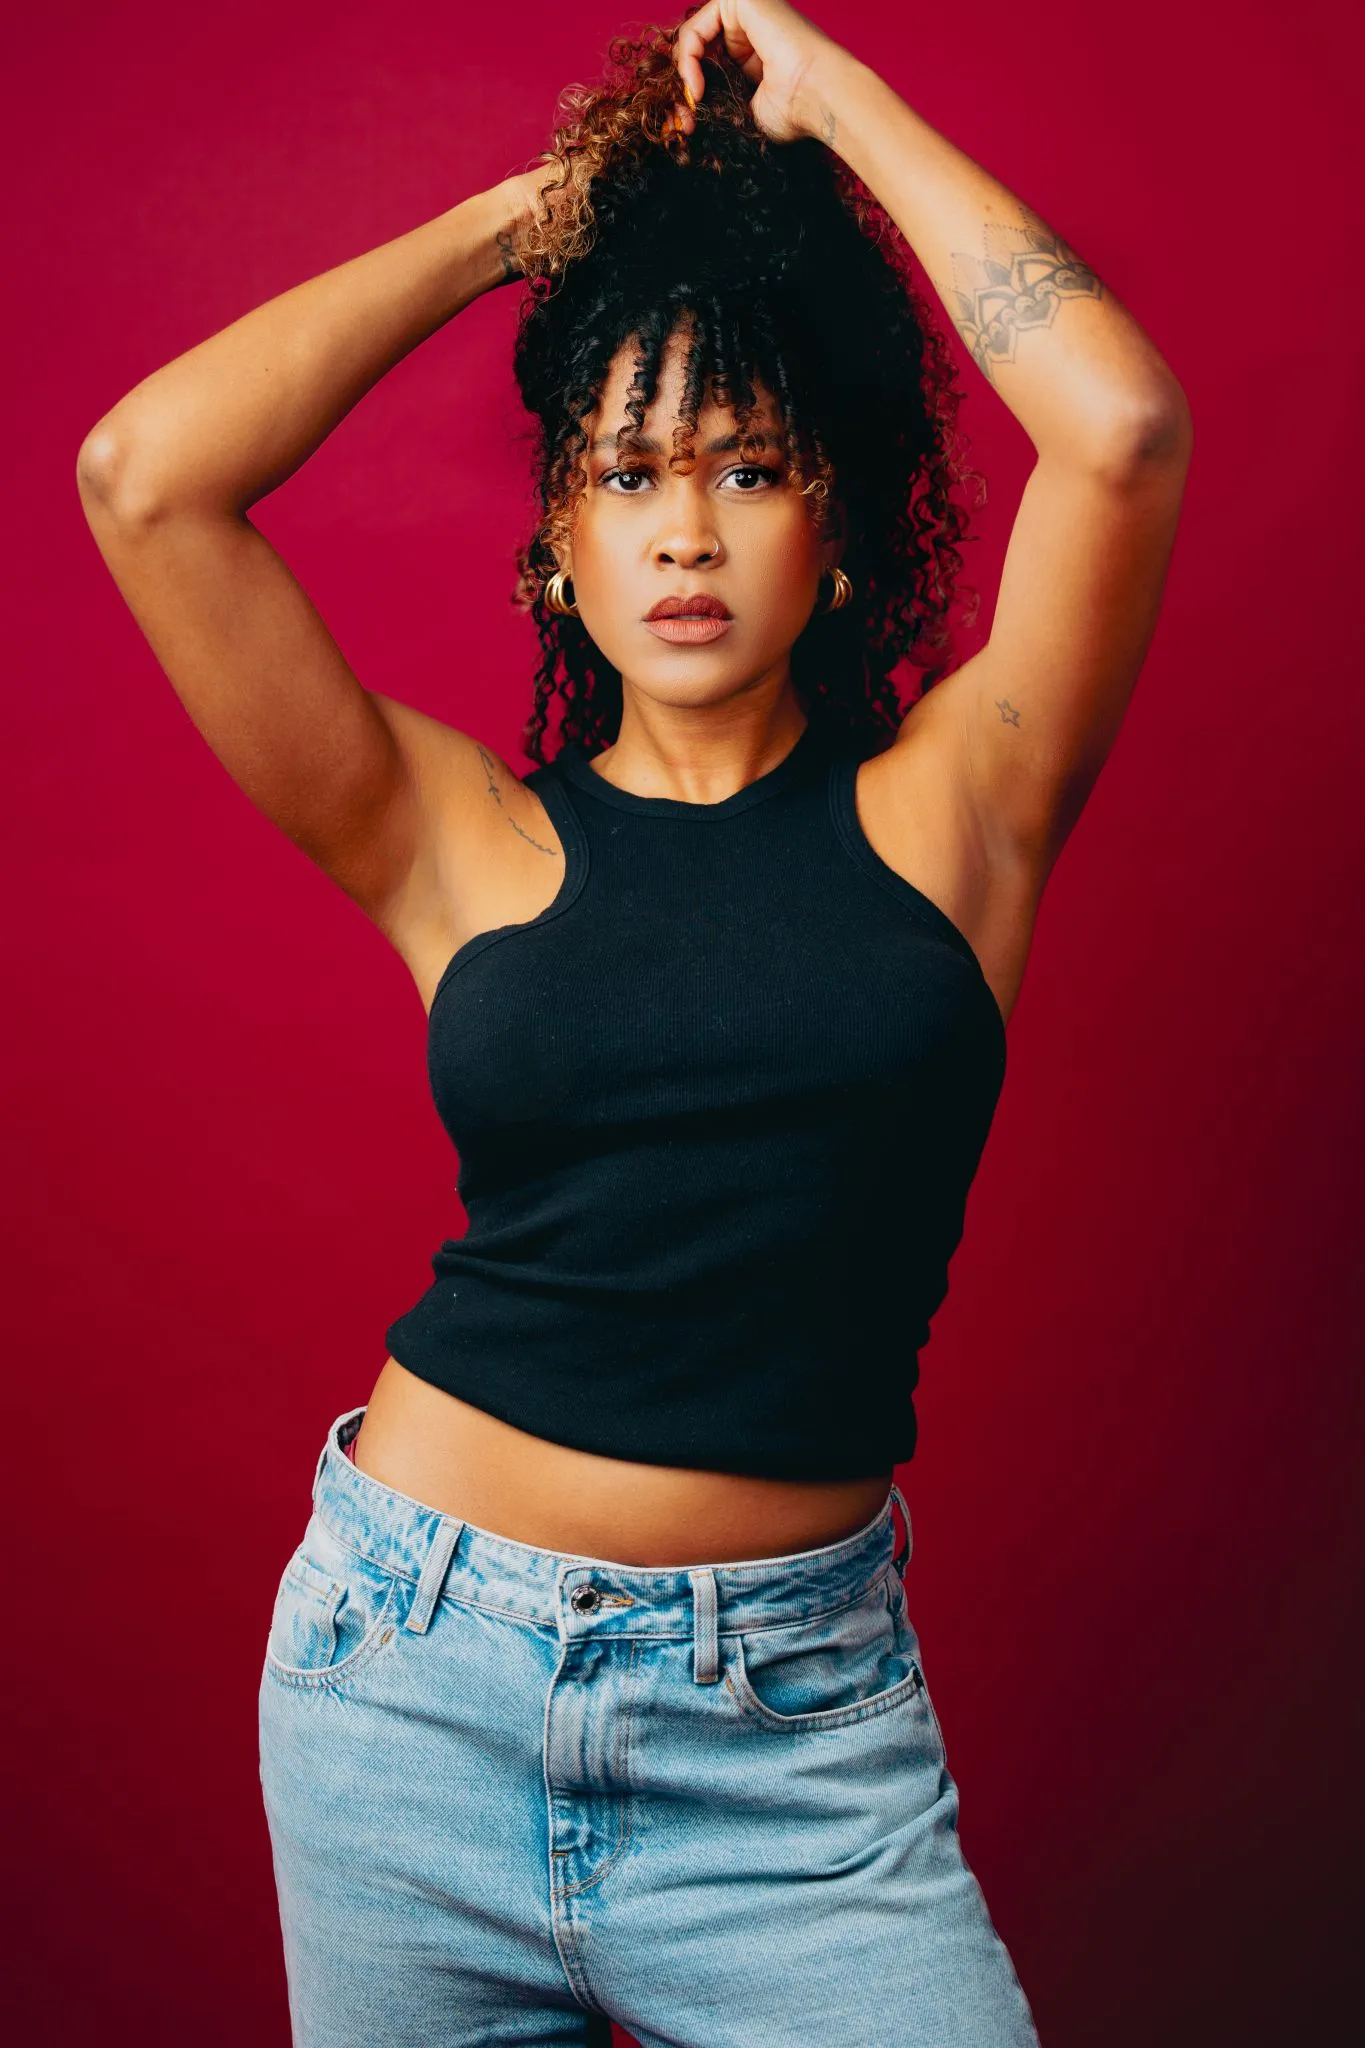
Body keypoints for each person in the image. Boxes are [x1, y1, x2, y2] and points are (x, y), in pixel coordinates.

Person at [76, 4, 1192, 2041]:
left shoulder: (963, 809)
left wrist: (834, 105)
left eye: (750, 469)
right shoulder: (451, 837)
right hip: (403, 1685)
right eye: (627, 473)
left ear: (836, 534)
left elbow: (1117, 429)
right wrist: (542, 225)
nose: (686, 527)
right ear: (559, 551)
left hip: (793, 1743)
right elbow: (146, 480)